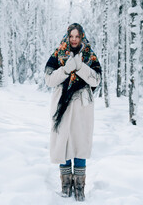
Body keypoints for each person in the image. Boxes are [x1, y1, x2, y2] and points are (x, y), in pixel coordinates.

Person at [44, 23, 101, 201]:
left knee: (80, 144)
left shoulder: (89, 55)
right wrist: (66, 69)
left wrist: (81, 67)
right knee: (63, 144)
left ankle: (79, 189)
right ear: (67, 37)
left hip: (82, 105)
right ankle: (65, 186)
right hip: (62, 105)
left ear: (82, 37)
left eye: (77, 36)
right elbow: (49, 80)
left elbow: (96, 80)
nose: (74, 40)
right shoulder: (57, 54)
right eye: (71, 36)